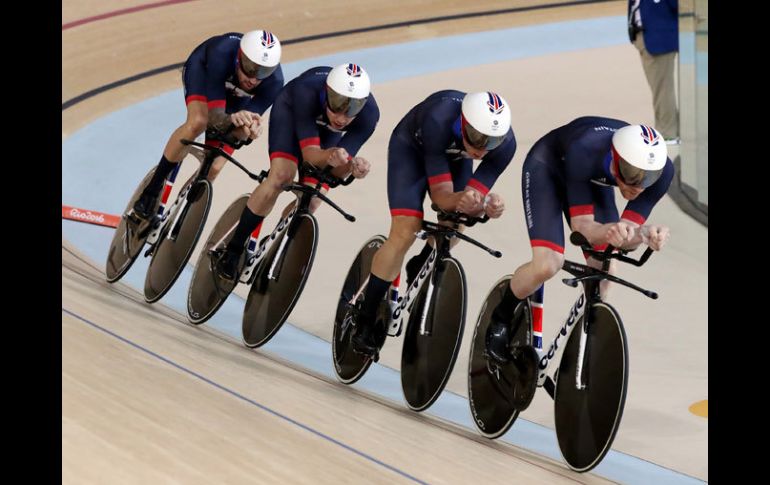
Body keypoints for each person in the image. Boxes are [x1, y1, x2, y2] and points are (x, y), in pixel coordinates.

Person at [485, 117, 674, 366]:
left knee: (605, 275)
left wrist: (645, 233)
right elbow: (583, 229)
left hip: (593, 179)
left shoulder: (662, 172)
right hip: (549, 167)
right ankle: (500, 317)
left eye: (646, 178)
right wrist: (615, 231)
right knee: (547, 264)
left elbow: (626, 234)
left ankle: (583, 349)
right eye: (631, 174)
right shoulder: (585, 148)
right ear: (616, 159)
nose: (637, 186)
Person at [350, 90, 517, 355]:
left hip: (454, 157)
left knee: (456, 225)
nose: (482, 148)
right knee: (405, 231)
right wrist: (467, 200)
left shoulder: (506, 145)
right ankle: (365, 320)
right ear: (463, 123)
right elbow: (441, 199)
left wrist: (486, 206)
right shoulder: (438, 120)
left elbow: (469, 200)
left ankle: (424, 257)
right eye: (477, 138)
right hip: (412, 150)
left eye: (492, 142)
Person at [214, 63, 380, 280]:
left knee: (313, 201)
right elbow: (311, 155)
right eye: (338, 104)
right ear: (327, 93)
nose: (342, 117)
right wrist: (333, 156)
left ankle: (276, 248)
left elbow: (335, 171)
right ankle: (233, 249)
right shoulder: (306, 91)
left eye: (352, 109)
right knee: (281, 177)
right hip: (292, 115)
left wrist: (352, 168)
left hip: (326, 136)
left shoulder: (369, 115)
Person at [132, 30, 284, 220]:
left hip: (235, 97)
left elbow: (242, 131)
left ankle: (181, 218)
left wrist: (250, 131)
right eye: (251, 68)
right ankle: (152, 189)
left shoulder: (274, 83)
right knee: (198, 122)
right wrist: (231, 121)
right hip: (204, 74)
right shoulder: (222, 52)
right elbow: (215, 117)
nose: (253, 79)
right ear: (239, 57)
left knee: (215, 166)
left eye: (263, 72)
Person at [628, 0, 679, 141]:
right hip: (643, 36)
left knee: (662, 91)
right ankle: (671, 130)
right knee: (659, 90)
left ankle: (668, 134)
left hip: (659, 38)